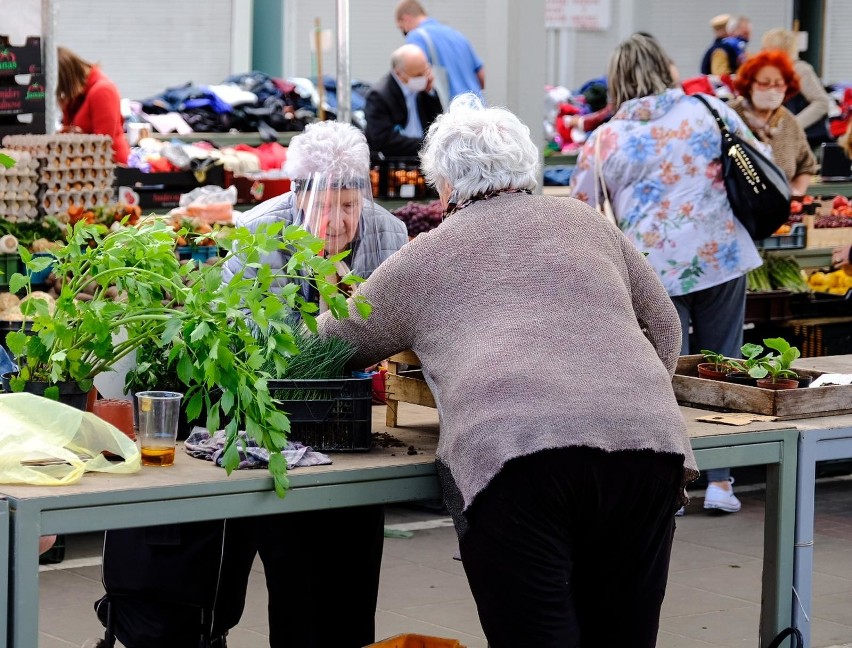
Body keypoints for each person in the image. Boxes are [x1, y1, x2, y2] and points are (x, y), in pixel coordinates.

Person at [317, 95, 698, 648]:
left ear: (445, 185)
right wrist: (620, 394)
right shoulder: (583, 221)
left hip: (518, 460)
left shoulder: (428, 256)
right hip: (649, 449)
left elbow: (335, 344)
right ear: (526, 167)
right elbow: (665, 326)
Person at [215, 121, 408, 647]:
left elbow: (399, 324)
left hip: (357, 420)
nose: (340, 221)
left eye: (351, 205)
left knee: (356, 563)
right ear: (297, 195)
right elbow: (257, 338)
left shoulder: (389, 234)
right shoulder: (258, 233)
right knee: (295, 568)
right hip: (281, 418)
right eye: (327, 204)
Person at [570, 33, 767, 515]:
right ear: (665, 66)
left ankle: (670, 482)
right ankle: (723, 483)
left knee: (661, 376)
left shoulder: (605, 139)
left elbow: (581, 209)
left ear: (616, 79)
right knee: (727, 366)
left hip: (651, 271)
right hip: (721, 255)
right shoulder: (708, 110)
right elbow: (757, 155)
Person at [728, 50, 818, 196]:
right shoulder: (729, 115)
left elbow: (807, 165)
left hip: (776, 212)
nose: (772, 89)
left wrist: (795, 194)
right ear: (749, 84)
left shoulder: (790, 122)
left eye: (779, 84)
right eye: (764, 83)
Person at [395, 0, 484, 102]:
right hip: (477, 108)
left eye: (402, 28)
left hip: (451, 112)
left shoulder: (416, 37)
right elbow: (481, 77)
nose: (404, 33)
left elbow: (414, 77)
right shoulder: (458, 36)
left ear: (405, 19)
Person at [365, 44, 443, 159]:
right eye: (418, 75)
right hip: (399, 163)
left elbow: (437, 122)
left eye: (426, 71)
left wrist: (430, 92)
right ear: (398, 73)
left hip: (427, 159)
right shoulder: (379, 96)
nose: (424, 78)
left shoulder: (424, 89)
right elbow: (383, 140)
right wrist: (427, 145)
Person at [761, 28, 835, 147]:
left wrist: (792, 125)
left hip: (804, 141)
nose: (763, 51)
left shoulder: (800, 70)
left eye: (766, 47)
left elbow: (822, 103)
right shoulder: (776, 71)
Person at [57, 46, 129, 164]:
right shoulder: (80, 93)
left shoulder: (103, 90)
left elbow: (102, 144)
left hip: (110, 169)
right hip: (88, 168)